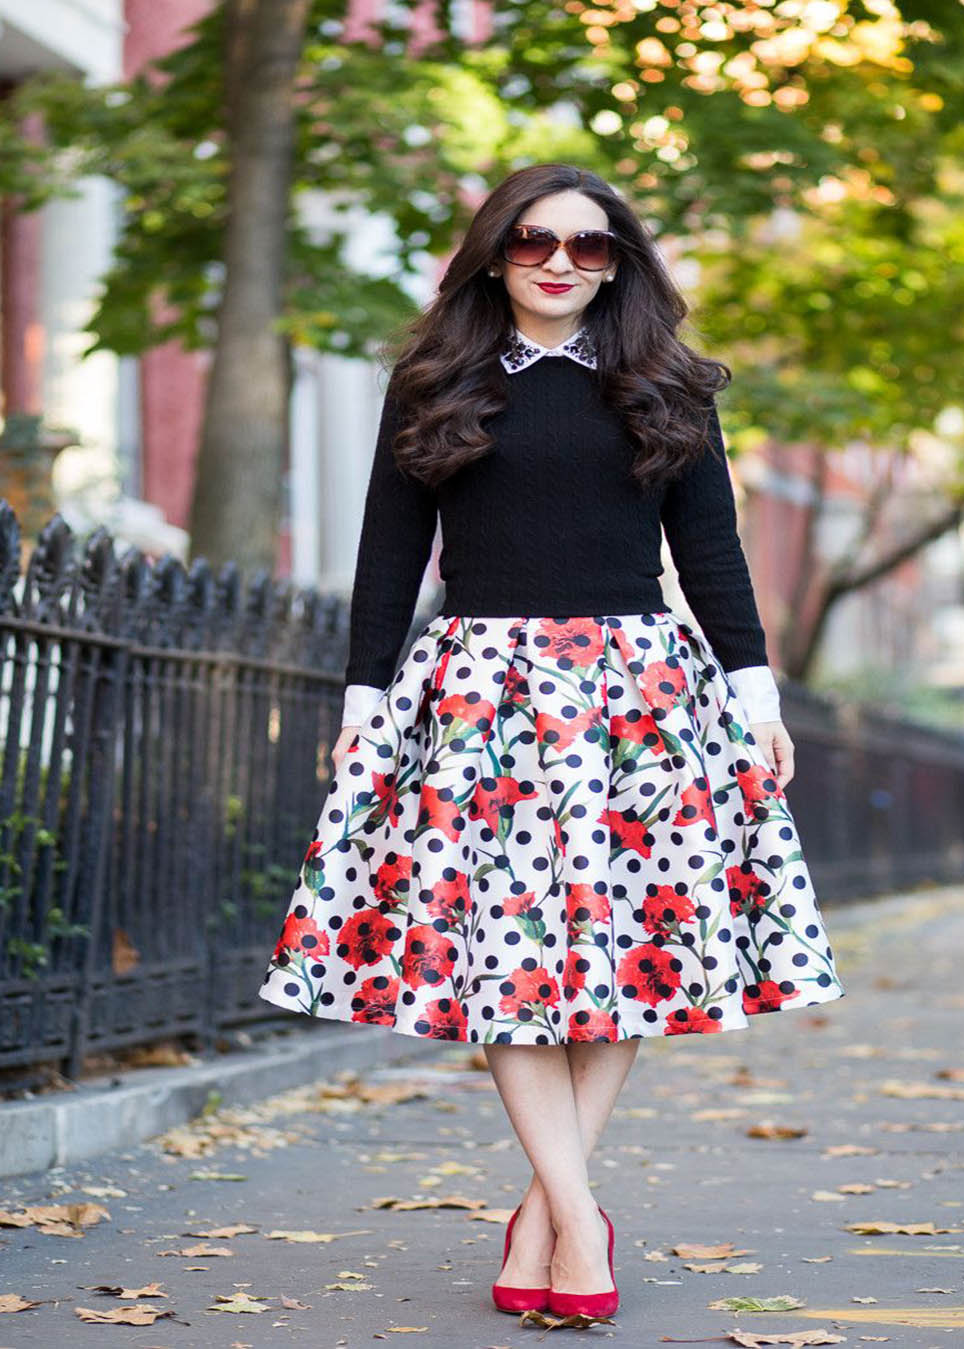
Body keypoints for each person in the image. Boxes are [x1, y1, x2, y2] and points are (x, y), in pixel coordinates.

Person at [258, 162, 845, 1319]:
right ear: (495, 252)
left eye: (589, 245)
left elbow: (714, 555)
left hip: (640, 699)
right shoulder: (436, 381)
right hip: (480, 694)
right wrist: (362, 706)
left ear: (619, 261)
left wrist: (757, 700)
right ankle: (578, 1218)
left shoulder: (665, 384)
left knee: (630, 957)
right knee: (508, 960)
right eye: (534, 241)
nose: (561, 263)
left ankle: (547, 1211)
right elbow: (388, 555)